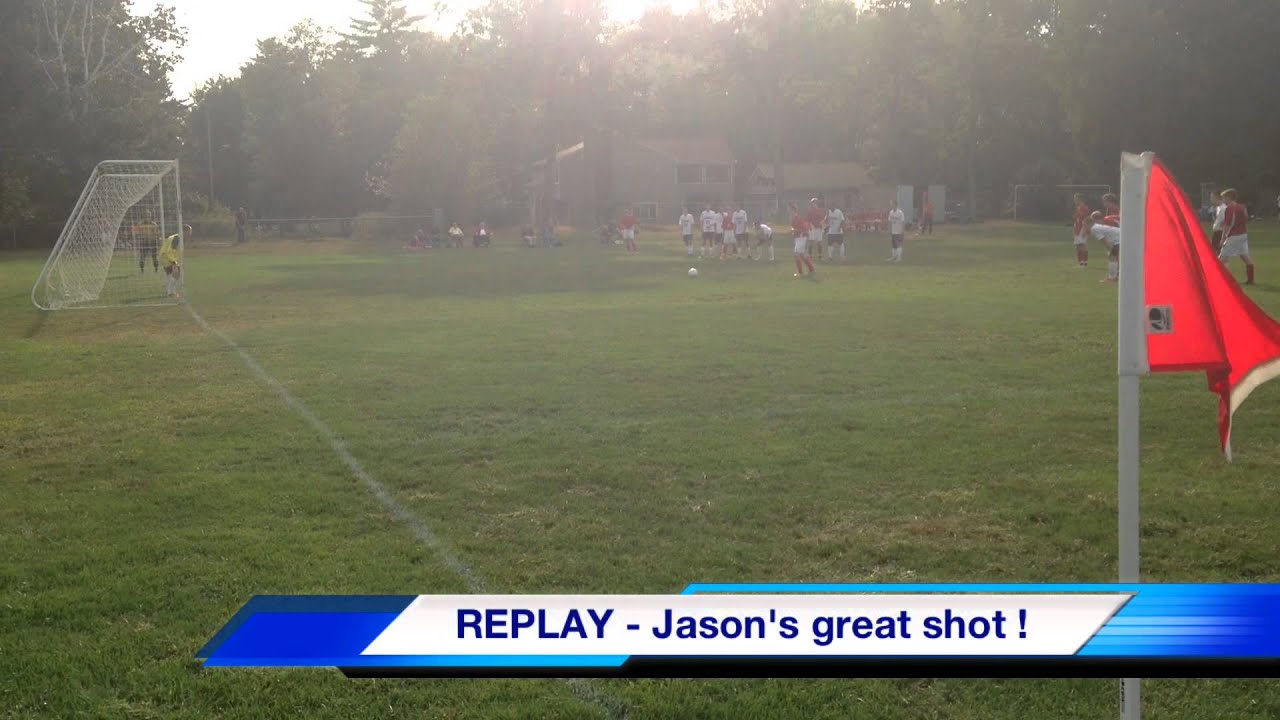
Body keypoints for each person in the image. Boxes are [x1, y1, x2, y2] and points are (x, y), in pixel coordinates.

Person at [1218, 188, 1255, 285]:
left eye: (1224, 198)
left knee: (1222, 258)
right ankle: (1251, 280)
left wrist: (1223, 238)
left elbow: (1227, 225)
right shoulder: (1242, 207)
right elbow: (1246, 219)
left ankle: (1225, 281)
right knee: (1245, 256)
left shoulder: (1229, 208)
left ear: (1228, 198)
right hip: (1243, 234)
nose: (1223, 201)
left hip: (1234, 235)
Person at [1088, 211, 1121, 283]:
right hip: (1120, 238)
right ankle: (1114, 276)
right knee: (1113, 257)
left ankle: (1112, 278)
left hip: (1119, 240)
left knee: (1112, 258)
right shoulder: (1099, 226)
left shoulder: (1094, 228)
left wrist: (1109, 249)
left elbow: (1103, 241)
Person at [790, 203, 816, 279]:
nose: (788, 211)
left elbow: (804, 229)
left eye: (789, 209)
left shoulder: (798, 218)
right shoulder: (793, 218)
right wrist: (793, 230)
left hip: (801, 238)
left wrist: (794, 230)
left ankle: (800, 273)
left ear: (793, 210)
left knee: (796, 253)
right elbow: (794, 228)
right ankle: (812, 269)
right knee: (802, 254)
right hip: (798, 238)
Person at [159, 227, 186, 299]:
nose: (190, 233)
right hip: (167, 258)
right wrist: (174, 261)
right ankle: (171, 292)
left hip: (163, 256)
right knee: (177, 274)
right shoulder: (177, 238)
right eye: (189, 231)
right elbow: (170, 250)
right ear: (184, 231)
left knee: (170, 275)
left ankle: (169, 292)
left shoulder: (174, 236)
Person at [1072, 193, 1091, 267]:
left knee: (1083, 245)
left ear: (1080, 199)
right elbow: (1077, 219)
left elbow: (1087, 220)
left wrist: (1085, 230)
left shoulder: (1085, 208)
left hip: (1082, 229)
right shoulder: (1078, 208)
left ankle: (1084, 262)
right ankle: (1080, 263)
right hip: (1077, 228)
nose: (1074, 200)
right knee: (1077, 246)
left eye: (1075, 199)